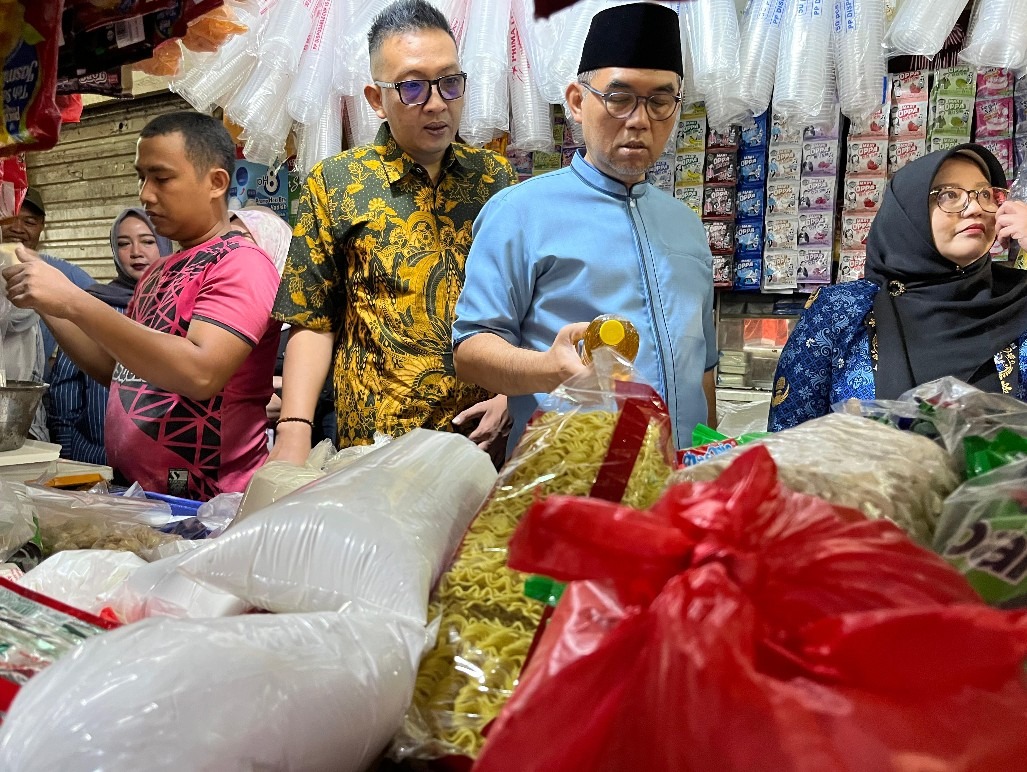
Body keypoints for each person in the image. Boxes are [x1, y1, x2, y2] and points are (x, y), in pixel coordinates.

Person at [452, 2, 718, 455]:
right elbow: (471, 350)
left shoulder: (686, 225)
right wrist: (547, 369)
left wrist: (709, 457)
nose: (640, 120)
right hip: (569, 478)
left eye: (659, 101)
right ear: (577, 101)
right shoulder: (520, 213)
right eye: (619, 98)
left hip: (681, 480)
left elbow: (703, 366)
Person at [269, 0, 516, 465]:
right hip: (376, 448)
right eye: (412, 87)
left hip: (482, 443)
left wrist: (512, 395)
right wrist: (294, 429)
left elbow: (522, 303)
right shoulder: (336, 183)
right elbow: (312, 318)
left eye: (450, 82)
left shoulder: (495, 179)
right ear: (376, 99)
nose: (437, 103)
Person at [2, 111, 281, 500]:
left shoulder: (240, 262)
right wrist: (49, 303)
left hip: (210, 503)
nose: (145, 194)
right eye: (141, 177)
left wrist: (73, 299)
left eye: (161, 178)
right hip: (140, 495)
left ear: (216, 182)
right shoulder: (158, 272)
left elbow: (201, 373)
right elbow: (120, 369)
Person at [770, 143, 1027, 431]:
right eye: (950, 195)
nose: (976, 208)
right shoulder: (841, 311)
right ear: (908, 212)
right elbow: (788, 439)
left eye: (985, 195)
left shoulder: (1018, 301)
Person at [48, 209, 173, 465]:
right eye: (124, 244)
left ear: (165, 245)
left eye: (148, 241)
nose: (136, 251)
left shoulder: (179, 307)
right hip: (94, 458)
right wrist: (67, 451)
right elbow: (65, 387)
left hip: (163, 461)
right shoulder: (92, 305)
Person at [0, 188, 95, 378]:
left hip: (32, 390)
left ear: (42, 226)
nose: (17, 228)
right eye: (9, 219)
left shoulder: (59, 272)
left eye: (29, 222)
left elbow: (99, 308)